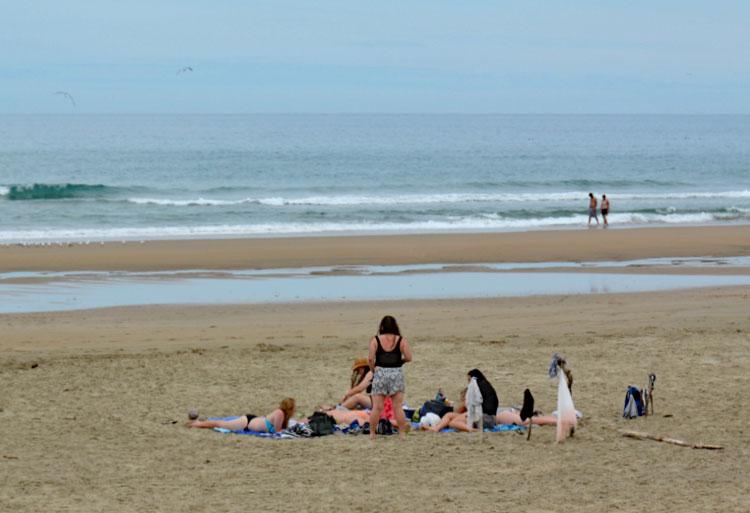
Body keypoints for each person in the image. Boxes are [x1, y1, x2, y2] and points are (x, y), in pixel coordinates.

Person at [368, 315, 412, 440]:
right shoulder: (401, 340)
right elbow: (409, 357)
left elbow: (371, 359)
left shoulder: (375, 340)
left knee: (377, 407)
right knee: (397, 406)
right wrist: (401, 361)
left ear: (381, 326)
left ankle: (372, 433)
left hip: (380, 372)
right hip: (396, 373)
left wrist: (373, 369)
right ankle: (402, 434)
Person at [186, 398, 295, 433]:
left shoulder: (281, 414)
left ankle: (200, 421)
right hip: (246, 423)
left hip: (251, 422)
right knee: (219, 424)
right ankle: (195, 424)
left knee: (221, 423)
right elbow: (278, 431)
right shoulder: (280, 413)